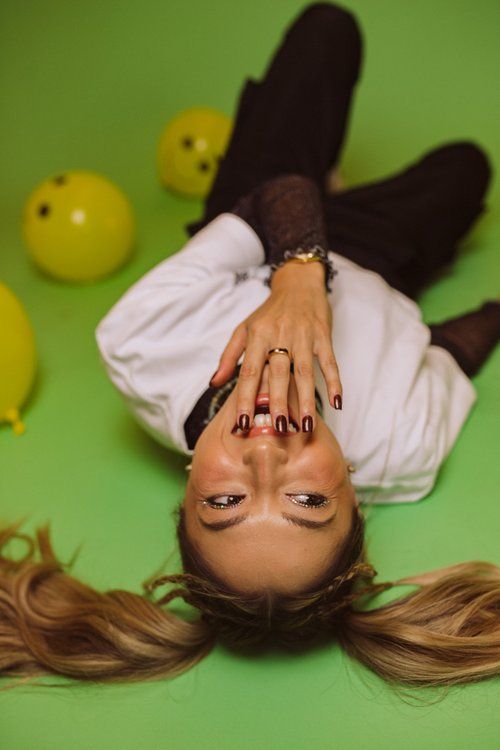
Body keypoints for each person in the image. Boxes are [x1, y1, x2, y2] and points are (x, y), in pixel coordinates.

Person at [1, 2, 499, 690]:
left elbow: (280, 195)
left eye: (226, 504)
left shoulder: (141, 346)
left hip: (258, 220)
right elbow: (448, 350)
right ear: (356, 498)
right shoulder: (402, 452)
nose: (264, 453)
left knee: (327, 30)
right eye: (306, 503)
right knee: (468, 168)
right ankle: (343, 200)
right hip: (381, 264)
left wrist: (296, 276)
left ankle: (315, 188)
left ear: (186, 492)